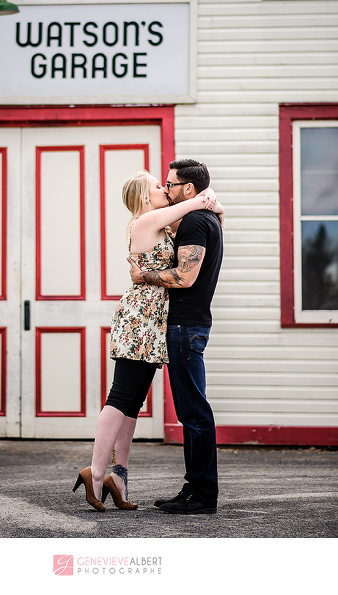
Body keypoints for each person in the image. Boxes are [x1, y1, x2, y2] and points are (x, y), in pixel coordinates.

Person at [72, 169, 224, 512]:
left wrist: (218, 208)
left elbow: (196, 210)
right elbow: (197, 200)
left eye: (168, 184)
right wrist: (206, 198)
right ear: (145, 197)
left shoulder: (160, 223)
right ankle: (96, 473)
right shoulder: (144, 222)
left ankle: (119, 477)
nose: (164, 189)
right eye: (158, 185)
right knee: (121, 395)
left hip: (156, 321)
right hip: (140, 319)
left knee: (133, 402)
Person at [128, 159, 223, 515]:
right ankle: (195, 489)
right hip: (190, 326)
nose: (166, 189)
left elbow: (185, 278)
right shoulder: (207, 217)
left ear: (187, 189)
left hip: (184, 327)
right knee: (192, 411)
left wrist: (144, 278)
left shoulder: (197, 221)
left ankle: (202, 495)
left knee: (194, 413)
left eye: (171, 184)